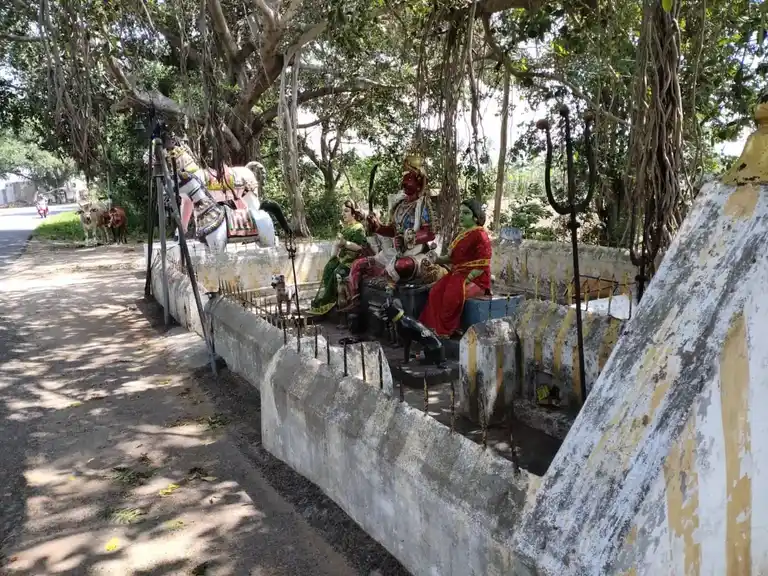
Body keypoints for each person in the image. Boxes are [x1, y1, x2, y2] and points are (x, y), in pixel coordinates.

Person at [419, 199, 492, 338]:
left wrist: (467, 280)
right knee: (435, 291)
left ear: (476, 217)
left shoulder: (481, 235)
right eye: (460, 212)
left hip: (477, 277)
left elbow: (484, 264)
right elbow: (451, 258)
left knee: (451, 296)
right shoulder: (462, 234)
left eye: (466, 213)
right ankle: (432, 327)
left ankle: (445, 331)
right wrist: (436, 259)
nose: (461, 216)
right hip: (457, 273)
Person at [309, 200, 368, 315]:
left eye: (346, 211)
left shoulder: (359, 228)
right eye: (342, 211)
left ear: (354, 213)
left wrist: (345, 243)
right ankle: (329, 301)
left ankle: (333, 302)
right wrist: (333, 258)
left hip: (352, 261)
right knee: (328, 268)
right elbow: (336, 244)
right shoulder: (345, 228)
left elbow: (360, 248)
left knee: (338, 272)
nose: (343, 214)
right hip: (341, 259)